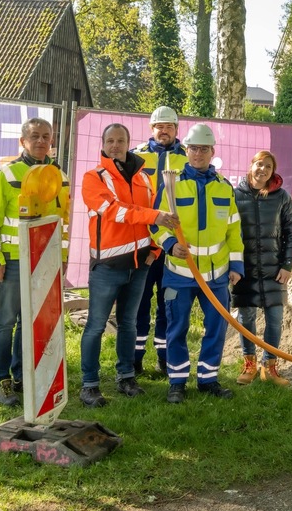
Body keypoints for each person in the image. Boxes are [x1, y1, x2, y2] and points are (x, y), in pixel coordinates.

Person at [78, 123, 181, 407]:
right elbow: (112, 211)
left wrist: (155, 252)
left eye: (120, 140)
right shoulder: (93, 177)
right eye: (110, 140)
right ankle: (89, 384)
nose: (115, 145)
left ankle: (125, 376)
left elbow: (154, 226)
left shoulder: (142, 178)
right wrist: (153, 216)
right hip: (107, 266)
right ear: (102, 144)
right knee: (96, 326)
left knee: (128, 324)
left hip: (139, 265)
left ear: (128, 143)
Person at [152, 123, 243, 403]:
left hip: (216, 276)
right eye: (193, 148)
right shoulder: (171, 185)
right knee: (176, 328)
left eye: (204, 149)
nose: (198, 154)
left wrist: (237, 267)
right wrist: (170, 244)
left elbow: (234, 230)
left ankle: (208, 379)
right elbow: (155, 225)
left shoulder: (224, 188)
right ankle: (177, 382)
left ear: (212, 151)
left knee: (216, 327)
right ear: (186, 149)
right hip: (179, 273)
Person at [0, 117, 69, 406]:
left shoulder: (60, 177)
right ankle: (0, 380)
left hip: (45, 263)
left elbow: (63, 223)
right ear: (23, 141)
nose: (41, 141)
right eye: (35, 136)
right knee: (6, 321)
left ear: (52, 140)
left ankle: (23, 376)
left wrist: (63, 258)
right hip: (14, 262)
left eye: (46, 136)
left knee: (30, 323)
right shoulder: (6, 175)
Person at [232, 150, 292, 387]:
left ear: (273, 172)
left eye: (268, 167)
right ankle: (249, 364)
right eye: (259, 165)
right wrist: (233, 266)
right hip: (245, 269)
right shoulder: (234, 195)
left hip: (274, 270)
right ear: (251, 166)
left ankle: (269, 366)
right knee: (246, 316)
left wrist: (287, 264)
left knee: (275, 318)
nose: (263, 170)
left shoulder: (282, 197)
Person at [131, 105, 188, 378]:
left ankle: (165, 358)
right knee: (139, 302)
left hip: (172, 243)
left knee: (169, 304)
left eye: (169, 126)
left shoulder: (188, 158)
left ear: (177, 129)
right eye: (159, 126)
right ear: (151, 128)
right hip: (142, 242)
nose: (163, 130)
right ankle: (135, 357)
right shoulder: (136, 157)